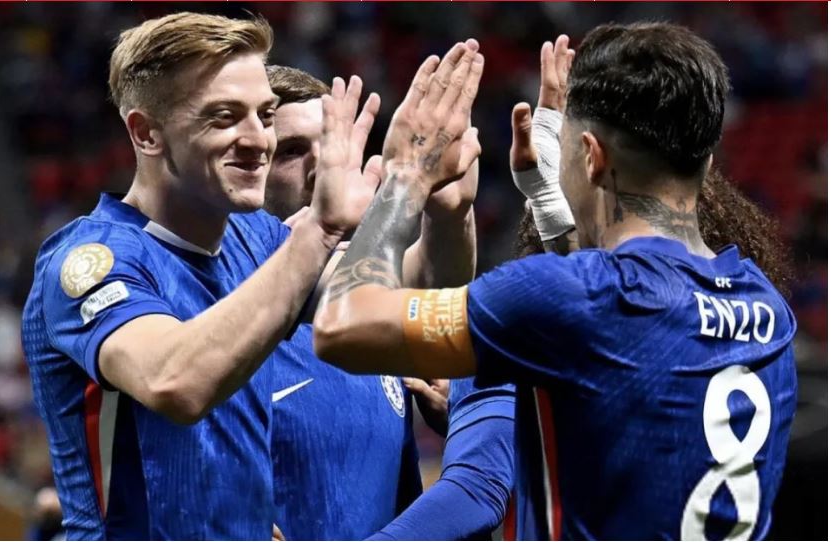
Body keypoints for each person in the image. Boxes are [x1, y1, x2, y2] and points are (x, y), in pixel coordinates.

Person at [313, 22, 797, 541]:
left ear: (592, 156)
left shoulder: (577, 297)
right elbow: (617, 344)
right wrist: (553, 210)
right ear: (705, 159)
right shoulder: (769, 310)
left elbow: (343, 327)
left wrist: (405, 177)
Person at [21, 12, 380, 539]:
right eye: (224, 117)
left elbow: (376, 295)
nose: (258, 140)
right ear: (146, 133)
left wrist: (429, 197)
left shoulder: (255, 238)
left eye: (265, 115)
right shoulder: (92, 259)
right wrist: (320, 231)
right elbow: (176, 383)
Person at [264, 63, 477, 540]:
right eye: (291, 151)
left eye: (335, 146)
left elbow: (431, 284)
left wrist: (449, 212)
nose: (322, 167)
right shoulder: (225, 298)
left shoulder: (367, 296)